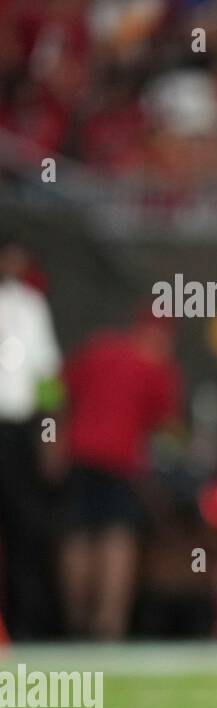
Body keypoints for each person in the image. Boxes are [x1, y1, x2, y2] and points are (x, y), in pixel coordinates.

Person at [61, 311, 181, 640]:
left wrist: (50, 433)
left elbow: (55, 388)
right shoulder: (156, 367)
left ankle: (74, 623)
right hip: (121, 463)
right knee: (118, 538)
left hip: (79, 456)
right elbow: (166, 427)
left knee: (80, 535)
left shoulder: (98, 348)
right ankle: (108, 625)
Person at [0, 241, 62, 638]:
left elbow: (47, 378)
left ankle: (26, 626)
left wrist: (50, 436)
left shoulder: (29, 305)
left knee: (24, 528)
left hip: (17, 431)